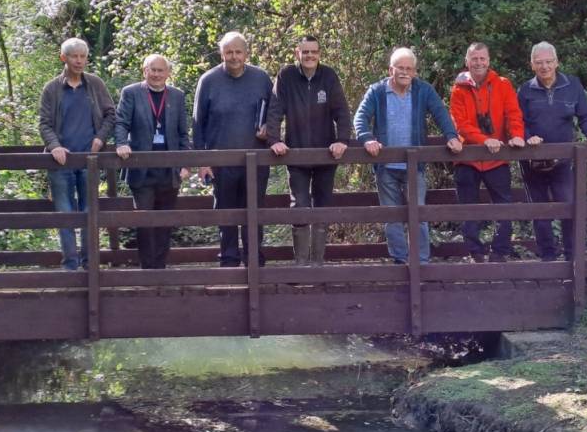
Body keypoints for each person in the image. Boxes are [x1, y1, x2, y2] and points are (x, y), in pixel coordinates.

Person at [354, 47, 462, 264]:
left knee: (419, 216)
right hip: (386, 167)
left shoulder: (424, 91)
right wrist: (367, 138)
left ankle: (421, 261)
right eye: (400, 68)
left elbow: (441, 113)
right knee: (392, 218)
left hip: (415, 166)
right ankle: (400, 261)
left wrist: (451, 136)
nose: (404, 72)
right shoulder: (376, 92)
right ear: (390, 69)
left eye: (409, 69)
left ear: (415, 72)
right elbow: (360, 118)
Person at [267, 35, 352, 265]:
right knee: (301, 205)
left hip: (326, 154)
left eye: (313, 51)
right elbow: (275, 109)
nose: (310, 56)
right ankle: (301, 265)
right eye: (305, 52)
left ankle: (318, 264)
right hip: (296, 155)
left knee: (323, 208)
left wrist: (343, 139)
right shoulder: (286, 76)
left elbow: (341, 111)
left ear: (319, 54)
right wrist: (274, 139)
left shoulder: (329, 76)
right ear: (298, 53)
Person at [518, 41, 587, 261]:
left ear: (556, 62)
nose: (544, 66)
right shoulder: (525, 90)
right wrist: (528, 137)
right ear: (532, 65)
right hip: (533, 161)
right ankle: (548, 257)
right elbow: (516, 122)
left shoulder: (573, 85)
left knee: (569, 207)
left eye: (548, 61)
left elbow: (585, 116)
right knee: (540, 212)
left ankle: (571, 257)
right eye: (539, 63)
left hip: (563, 161)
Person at [192, 32, 272, 267]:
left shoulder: (261, 78)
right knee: (225, 212)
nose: (234, 56)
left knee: (254, 211)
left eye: (238, 52)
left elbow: (275, 112)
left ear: (246, 53)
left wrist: (270, 129)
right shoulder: (208, 80)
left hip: (256, 160)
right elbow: (198, 124)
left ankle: (254, 259)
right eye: (229, 52)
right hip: (221, 160)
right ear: (221, 53)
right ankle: (228, 261)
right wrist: (203, 162)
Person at [39, 37, 115, 270]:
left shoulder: (95, 84)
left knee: (89, 212)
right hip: (61, 163)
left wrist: (100, 138)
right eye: (74, 56)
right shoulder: (52, 89)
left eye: (83, 56)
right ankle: (70, 265)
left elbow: (111, 115)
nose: (80, 61)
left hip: (89, 161)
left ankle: (90, 263)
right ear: (64, 58)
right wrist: (54, 146)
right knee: (65, 215)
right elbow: (44, 124)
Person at [450, 42, 525, 263]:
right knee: (467, 208)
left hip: (496, 158)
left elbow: (513, 113)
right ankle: (475, 252)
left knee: (504, 206)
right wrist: (485, 140)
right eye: (474, 59)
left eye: (482, 58)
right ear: (467, 61)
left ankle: (500, 252)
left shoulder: (503, 84)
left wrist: (517, 134)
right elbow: (460, 124)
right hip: (467, 159)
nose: (479, 62)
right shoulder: (458, 89)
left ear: (489, 60)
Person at [115, 54, 190, 269]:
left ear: (168, 73)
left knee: (165, 221)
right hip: (142, 169)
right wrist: (121, 143)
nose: (156, 74)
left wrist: (185, 164)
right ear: (144, 70)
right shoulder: (131, 93)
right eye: (152, 70)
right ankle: (147, 269)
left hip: (169, 170)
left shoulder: (176, 96)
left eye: (161, 70)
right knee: (144, 221)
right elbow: (121, 122)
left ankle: (160, 268)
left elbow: (183, 133)